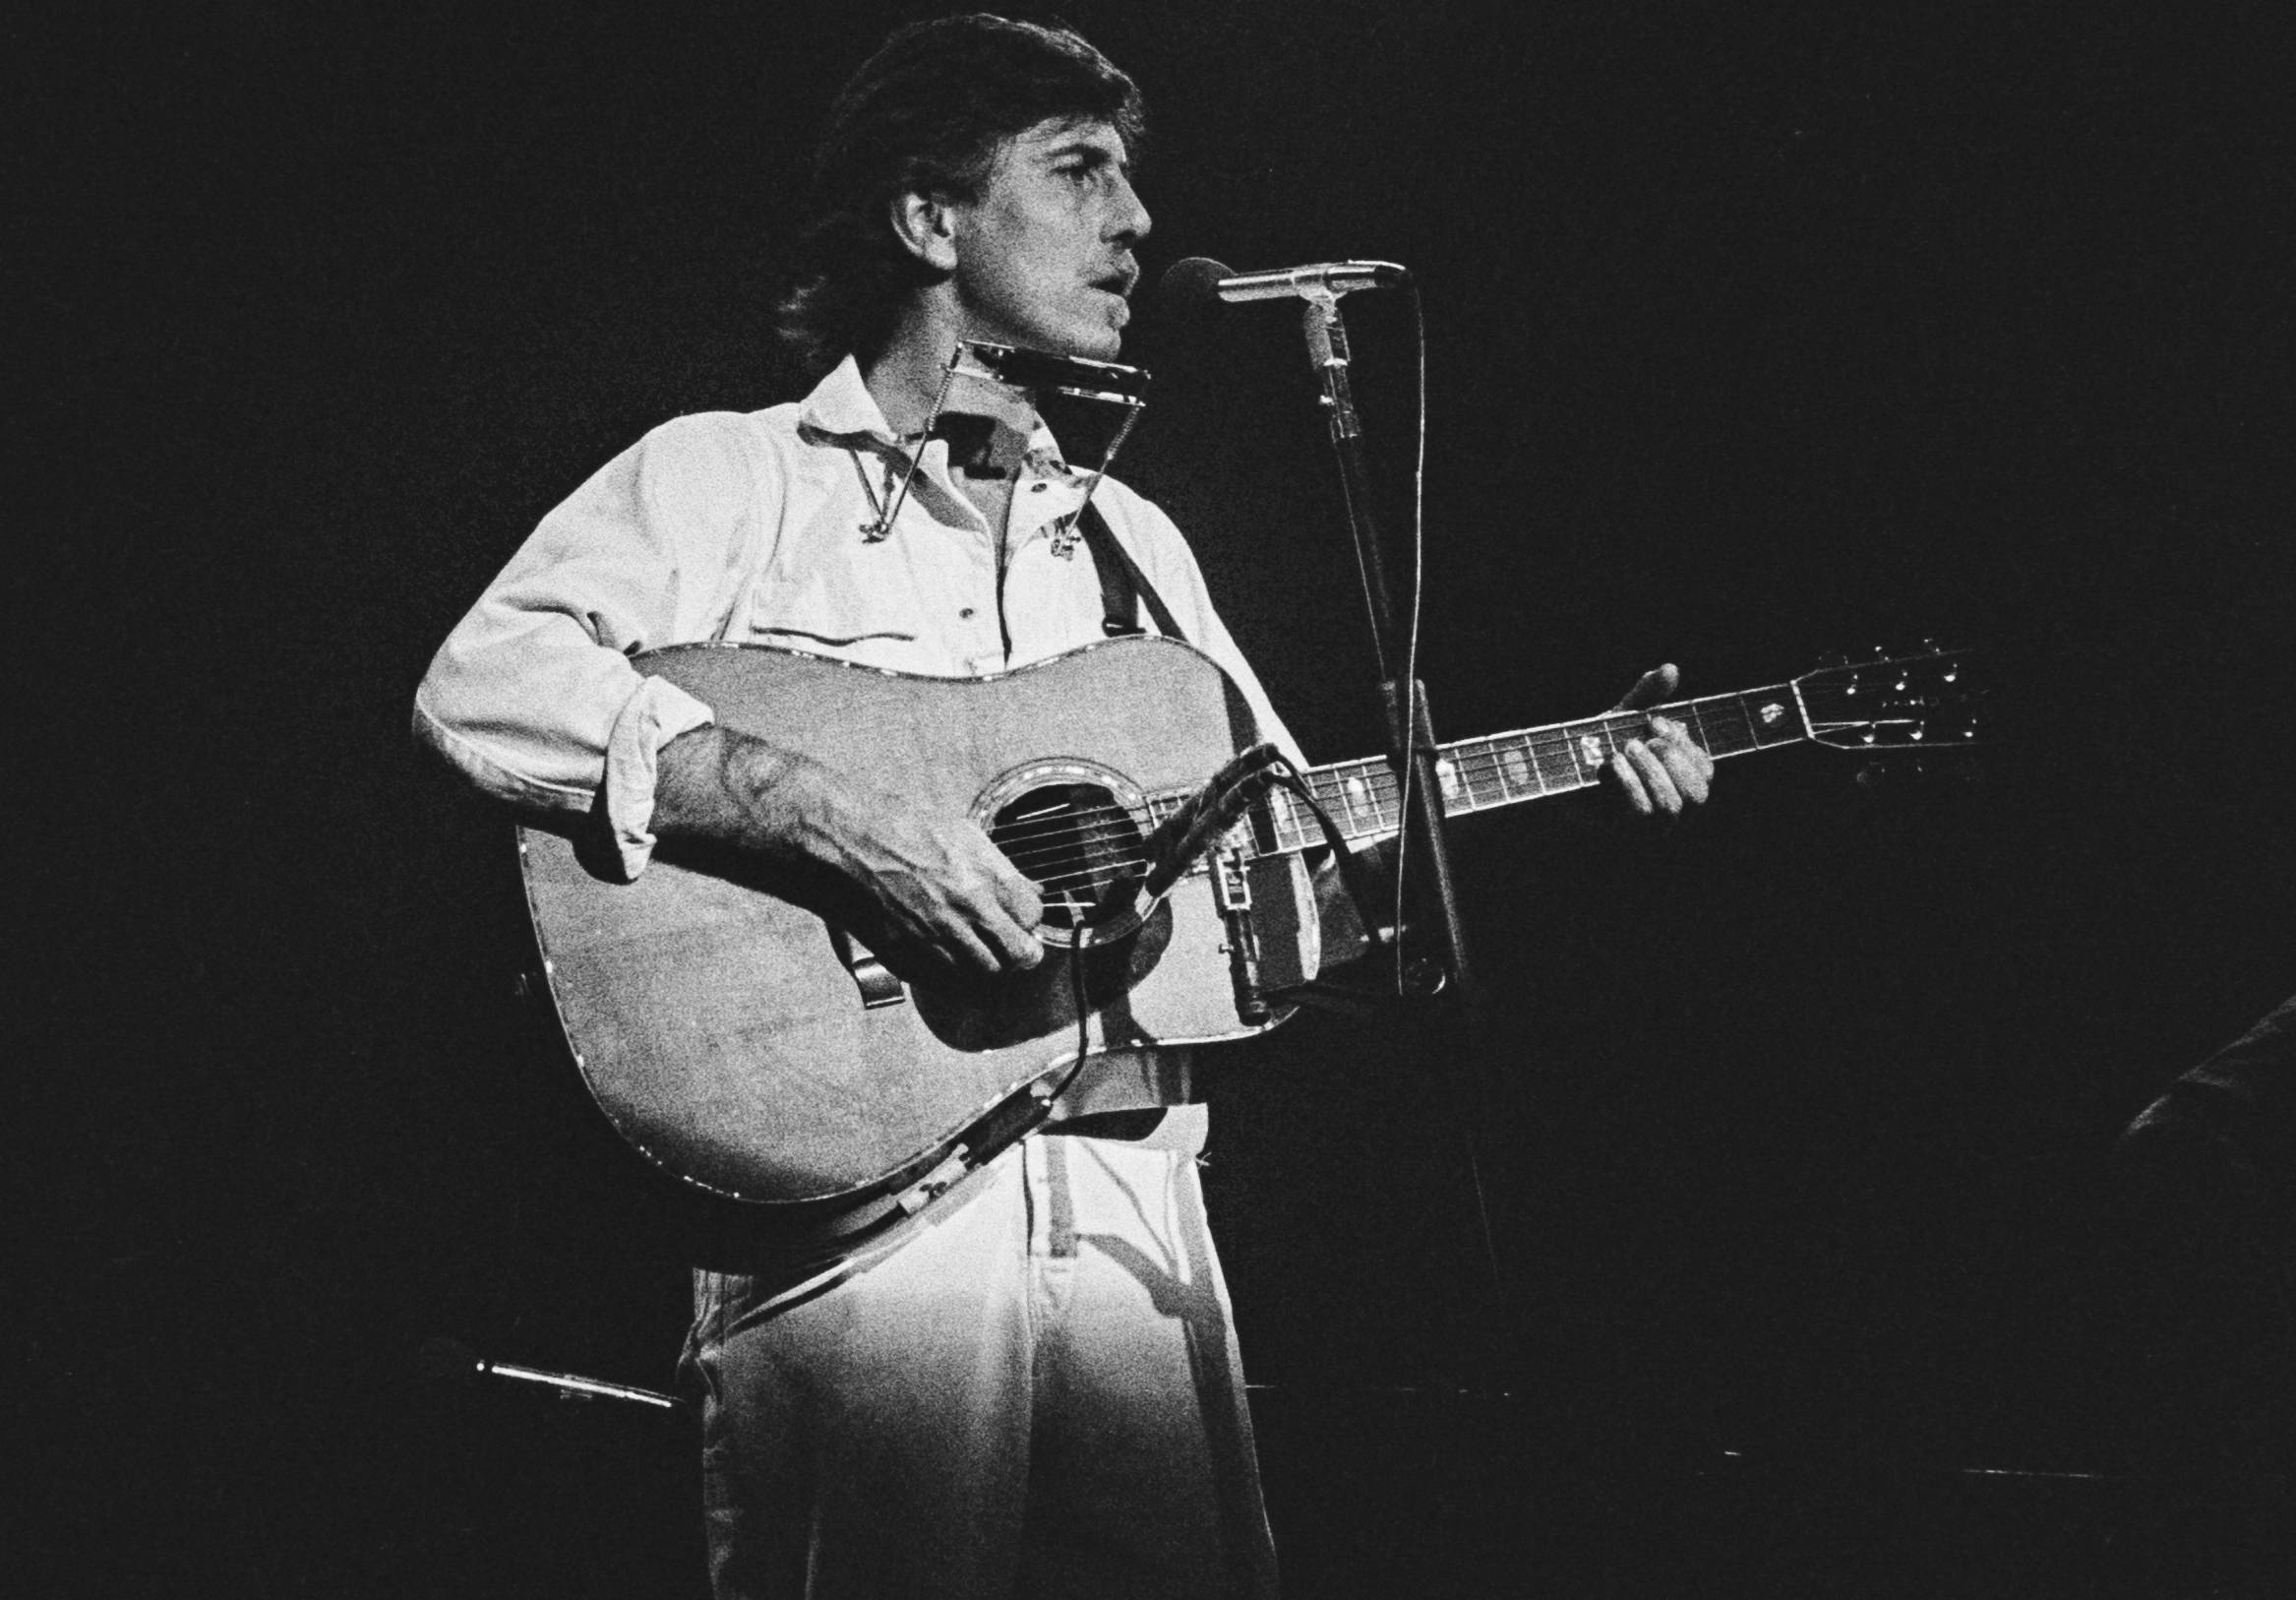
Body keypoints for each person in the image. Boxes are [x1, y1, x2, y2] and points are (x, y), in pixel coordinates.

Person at [413, 15, 1714, 1597]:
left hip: (1136, 1223)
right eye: (1078, 170)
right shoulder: (735, 478)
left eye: (1128, 177)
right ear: (928, 219)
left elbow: (1279, 850)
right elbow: (486, 679)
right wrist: (823, 812)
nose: (1137, 223)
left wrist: (1575, 777)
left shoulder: (1133, 544)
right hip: (865, 1253)